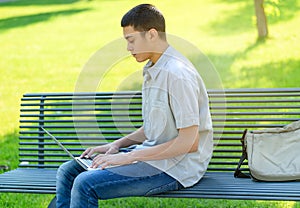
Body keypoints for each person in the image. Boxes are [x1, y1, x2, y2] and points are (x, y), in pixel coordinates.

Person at [55, 4, 213, 208]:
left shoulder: (177, 75)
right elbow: (156, 128)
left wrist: (128, 157)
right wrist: (117, 145)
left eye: (131, 40)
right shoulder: (154, 68)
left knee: (85, 184)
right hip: (153, 158)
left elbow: (189, 142)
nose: (128, 48)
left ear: (152, 34)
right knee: (68, 171)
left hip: (175, 169)